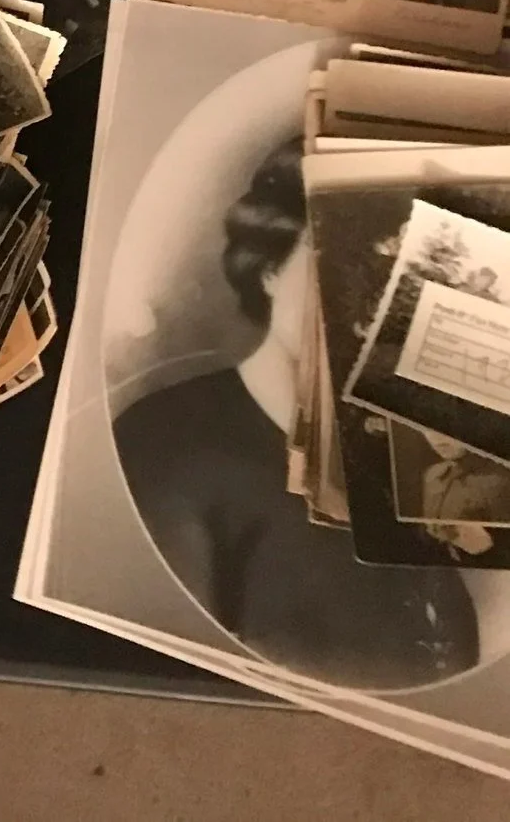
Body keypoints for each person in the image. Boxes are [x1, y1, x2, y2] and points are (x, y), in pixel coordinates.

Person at [112, 138, 478, 690]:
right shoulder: (165, 440)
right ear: (270, 267)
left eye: (391, 268)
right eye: (336, 254)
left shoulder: (409, 460)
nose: (359, 295)